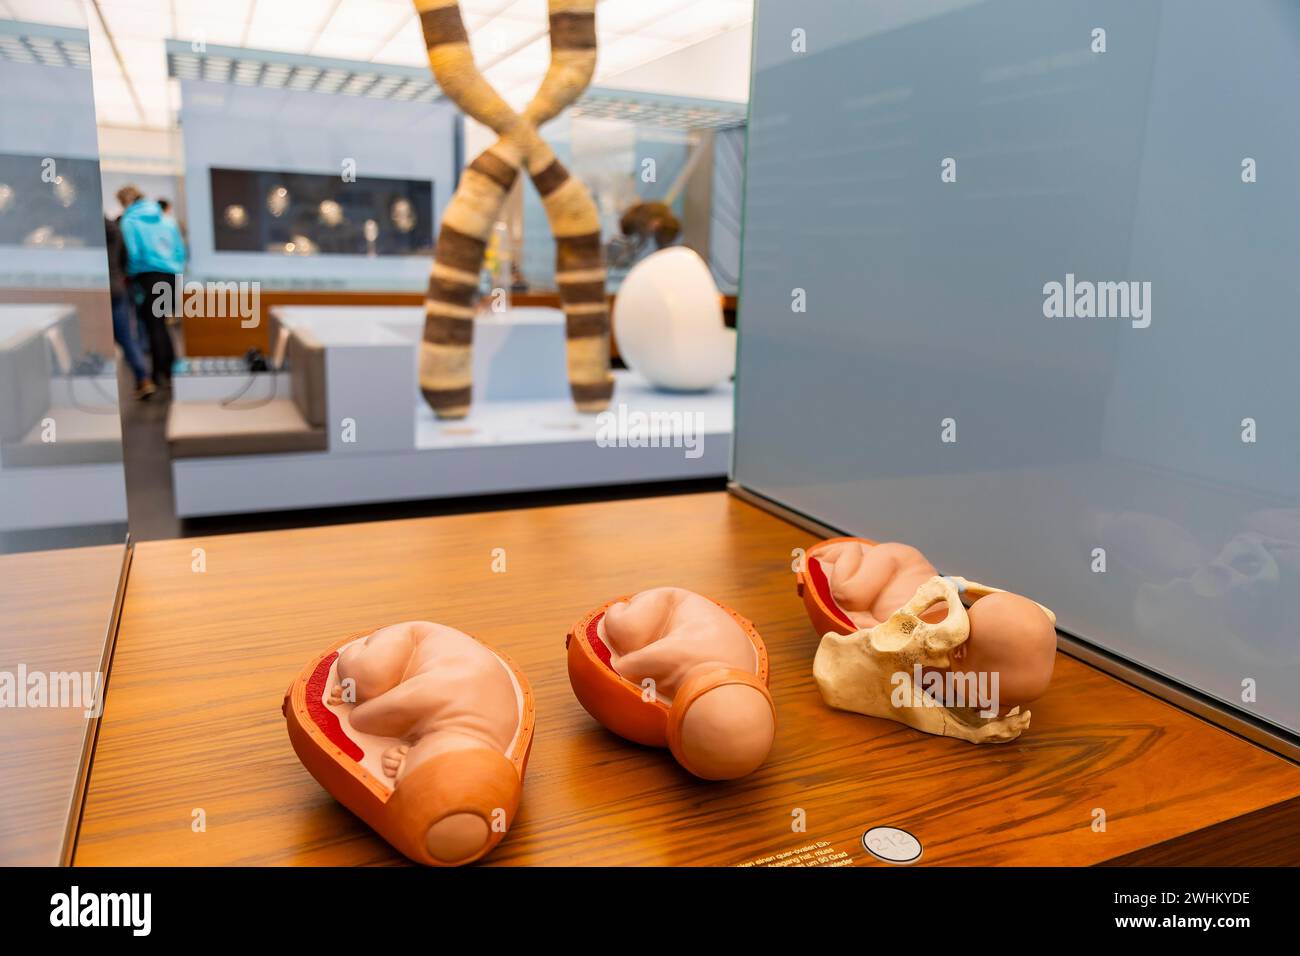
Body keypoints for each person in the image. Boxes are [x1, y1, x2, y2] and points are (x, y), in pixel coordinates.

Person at [117, 185, 186, 389]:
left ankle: (159, 374)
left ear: (125, 201)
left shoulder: (129, 221)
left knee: (152, 325)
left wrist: (130, 274)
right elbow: (181, 252)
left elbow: (134, 253)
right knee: (163, 323)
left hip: (147, 276)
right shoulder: (167, 220)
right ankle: (169, 367)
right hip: (171, 275)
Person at [104, 216, 154, 399]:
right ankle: (143, 378)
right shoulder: (115, 229)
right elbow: (126, 257)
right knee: (127, 337)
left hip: (94, 289)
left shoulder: (84, 230)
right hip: (117, 285)